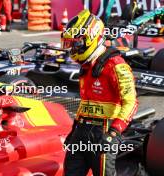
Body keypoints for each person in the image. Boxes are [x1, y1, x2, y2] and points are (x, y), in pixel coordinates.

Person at [61, 10, 138, 176]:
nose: (73, 48)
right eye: (71, 43)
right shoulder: (86, 65)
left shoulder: (116, 65)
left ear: (91, 37)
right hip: (81, 130)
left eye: (77, 43)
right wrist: (74, 130)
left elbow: (131, 102)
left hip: (104, 132)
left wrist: (114, 133)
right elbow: (87, 101)